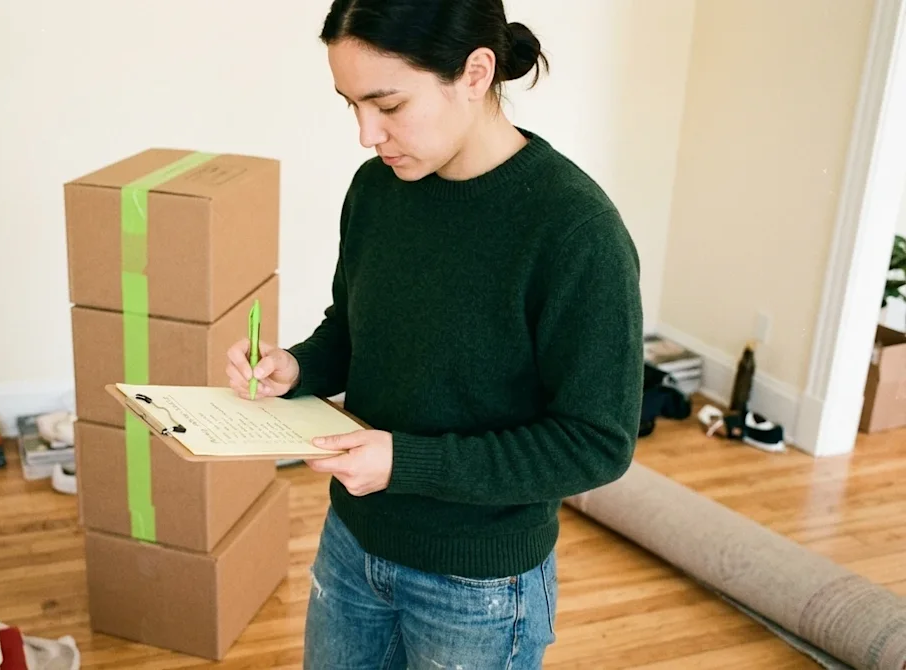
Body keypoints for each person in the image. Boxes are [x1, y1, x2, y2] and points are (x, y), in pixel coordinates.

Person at [224, 0, 644, 667]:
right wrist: (298, 368)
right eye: (351, 104)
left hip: (480, 584)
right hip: (353, 543)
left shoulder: (574, 232)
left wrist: (404, 462)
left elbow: (597, 443)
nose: (366, 133)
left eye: (387, 105)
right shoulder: (377, 189)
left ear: (476, 73)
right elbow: (355, 329)